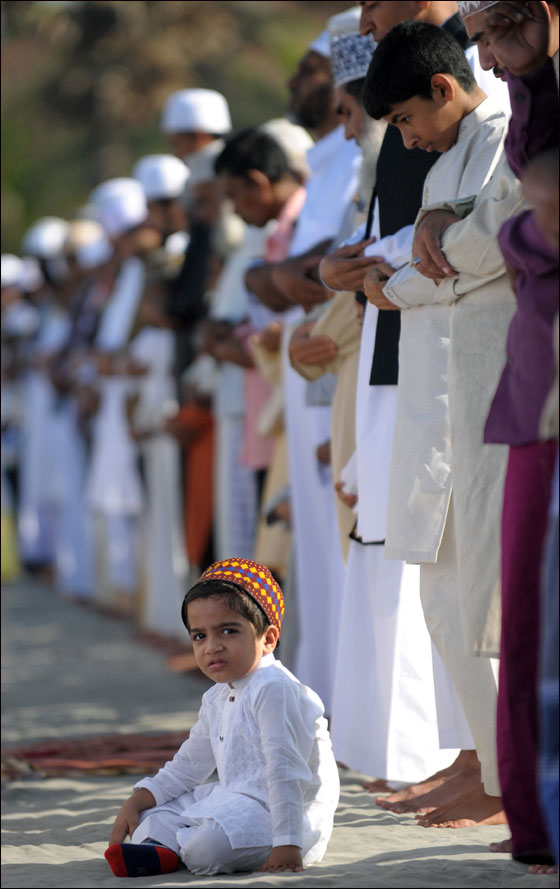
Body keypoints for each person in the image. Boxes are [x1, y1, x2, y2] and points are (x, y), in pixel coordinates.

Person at [363, 19, 521, 829]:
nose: (408, 139)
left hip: (490, 392)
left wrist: (394, 287)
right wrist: (417, 258)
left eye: (406, 120)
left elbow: (485, 250)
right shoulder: (446, 157)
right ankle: (500, 774)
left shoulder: (504, 134)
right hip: (439, 400)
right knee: (444, 597)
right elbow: (441, 254)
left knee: (498, 599)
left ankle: (516, 782)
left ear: (443, 88)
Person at [104, 557, 339, 878]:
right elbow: (188, 765)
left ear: (268, 638)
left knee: (206, 849)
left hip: (286, 819)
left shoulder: (274, 688)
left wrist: (287, 843)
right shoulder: (217, 695)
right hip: (235, 799)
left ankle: (169, 846)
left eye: (228, 631)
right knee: (154, 810)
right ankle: (163, 848)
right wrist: (136, 801)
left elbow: (285, 772)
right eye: (199, 636)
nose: (211, 647)